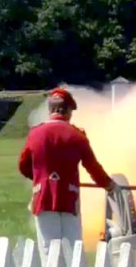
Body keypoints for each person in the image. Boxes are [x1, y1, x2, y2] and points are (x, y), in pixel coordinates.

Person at [18, 86, 116, 257]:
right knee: (72, 249)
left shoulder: (35, 133)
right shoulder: (77, 135)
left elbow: (23, 165)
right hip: (69, 198)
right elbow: (92, 167)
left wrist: (40, 177)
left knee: (48, 250)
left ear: (50, 110)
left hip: (43, 197)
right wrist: (109, 185)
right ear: (68, 111)